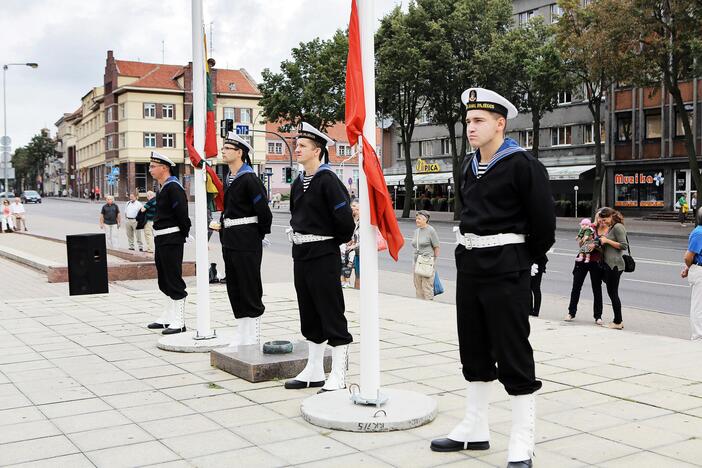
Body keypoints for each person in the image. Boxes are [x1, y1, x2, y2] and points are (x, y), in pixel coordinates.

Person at [430, 88, 555, 468]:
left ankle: (522, 439)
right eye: (468, 121)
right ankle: (475, 426)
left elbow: (544, 228)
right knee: (474, 347)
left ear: (500, 124)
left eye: (479, 121)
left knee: (512, 348)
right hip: (471, 266)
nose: (471, 127)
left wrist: (523, 263)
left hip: (506, 266)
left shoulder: (522, 164)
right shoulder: (468, 166)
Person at [284, 122, 355, 393]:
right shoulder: (298, 182)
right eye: (297, 145)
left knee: (330, 311)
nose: (297, 149)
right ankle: (313, 370)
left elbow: (345, 222)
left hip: (323, 253)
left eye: (302, 146)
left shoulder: (328, 181)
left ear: (317, 151)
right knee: (309, 312)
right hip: (301, 253)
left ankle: (338, 373)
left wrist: (328, 243)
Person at [212, 132, 272, 347]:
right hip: (230, 239)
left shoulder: (249, 179)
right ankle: (242, 332)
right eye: (224, 147)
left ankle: (253, 335)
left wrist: (258, 235)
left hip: (246, 239)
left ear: (240, 153)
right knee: (235, 286)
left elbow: (264, 212)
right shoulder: (230, 177)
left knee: (249, 285)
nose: (223, 150)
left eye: (228, 148)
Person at [146, 151, 191, 335]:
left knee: (173, 278)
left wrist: (183, 234)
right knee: (164, 279)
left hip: (172, 238)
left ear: (164, 168)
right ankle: (168, 317)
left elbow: (182, 214)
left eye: (153, 166)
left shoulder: (174, 187)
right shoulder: (163, 187)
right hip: (162, 238)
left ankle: (179, 321)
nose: (150, 170)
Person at [566, 212, 604, 325]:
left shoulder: (606, 230)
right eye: (599, 218)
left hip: (595, 261)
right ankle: (571, 312)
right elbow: (580, 244)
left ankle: (598, 316)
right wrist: (583, 241)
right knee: (576, 286)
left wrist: (596, 246)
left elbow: (604, 250)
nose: (601, 220)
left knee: (597, 288)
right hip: (582, 260)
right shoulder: (588, 227)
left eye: (603, 218)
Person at [597, 207, 629, 330]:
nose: (603, 222)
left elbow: (623, 245)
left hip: (615, 265)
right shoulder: (612, 227)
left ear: (611, 216)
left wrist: (607, 240)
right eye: (601, 220)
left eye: (605, 220)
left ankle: (618, 321)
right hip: (609, 264)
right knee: (612, 292)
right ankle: (617, 320)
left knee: (613, 293)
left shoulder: (618, 227)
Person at [682, 209, 702, 340]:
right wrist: (688, 267)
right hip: (700, 271)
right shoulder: (699, 233)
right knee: (698, 305)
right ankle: (698, 336)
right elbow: (689, 256)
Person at [411, 210, 440, 300]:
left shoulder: (431, 230)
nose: (417, 220)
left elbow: (437, 247)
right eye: (416, 219)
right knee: (418, 287)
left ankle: (429, 307)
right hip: (417, 262)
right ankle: (420, 306)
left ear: (425, 220)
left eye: (419, 219)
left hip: (427, 262)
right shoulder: (416, 231)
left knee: (427, 287)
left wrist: (433, 262)